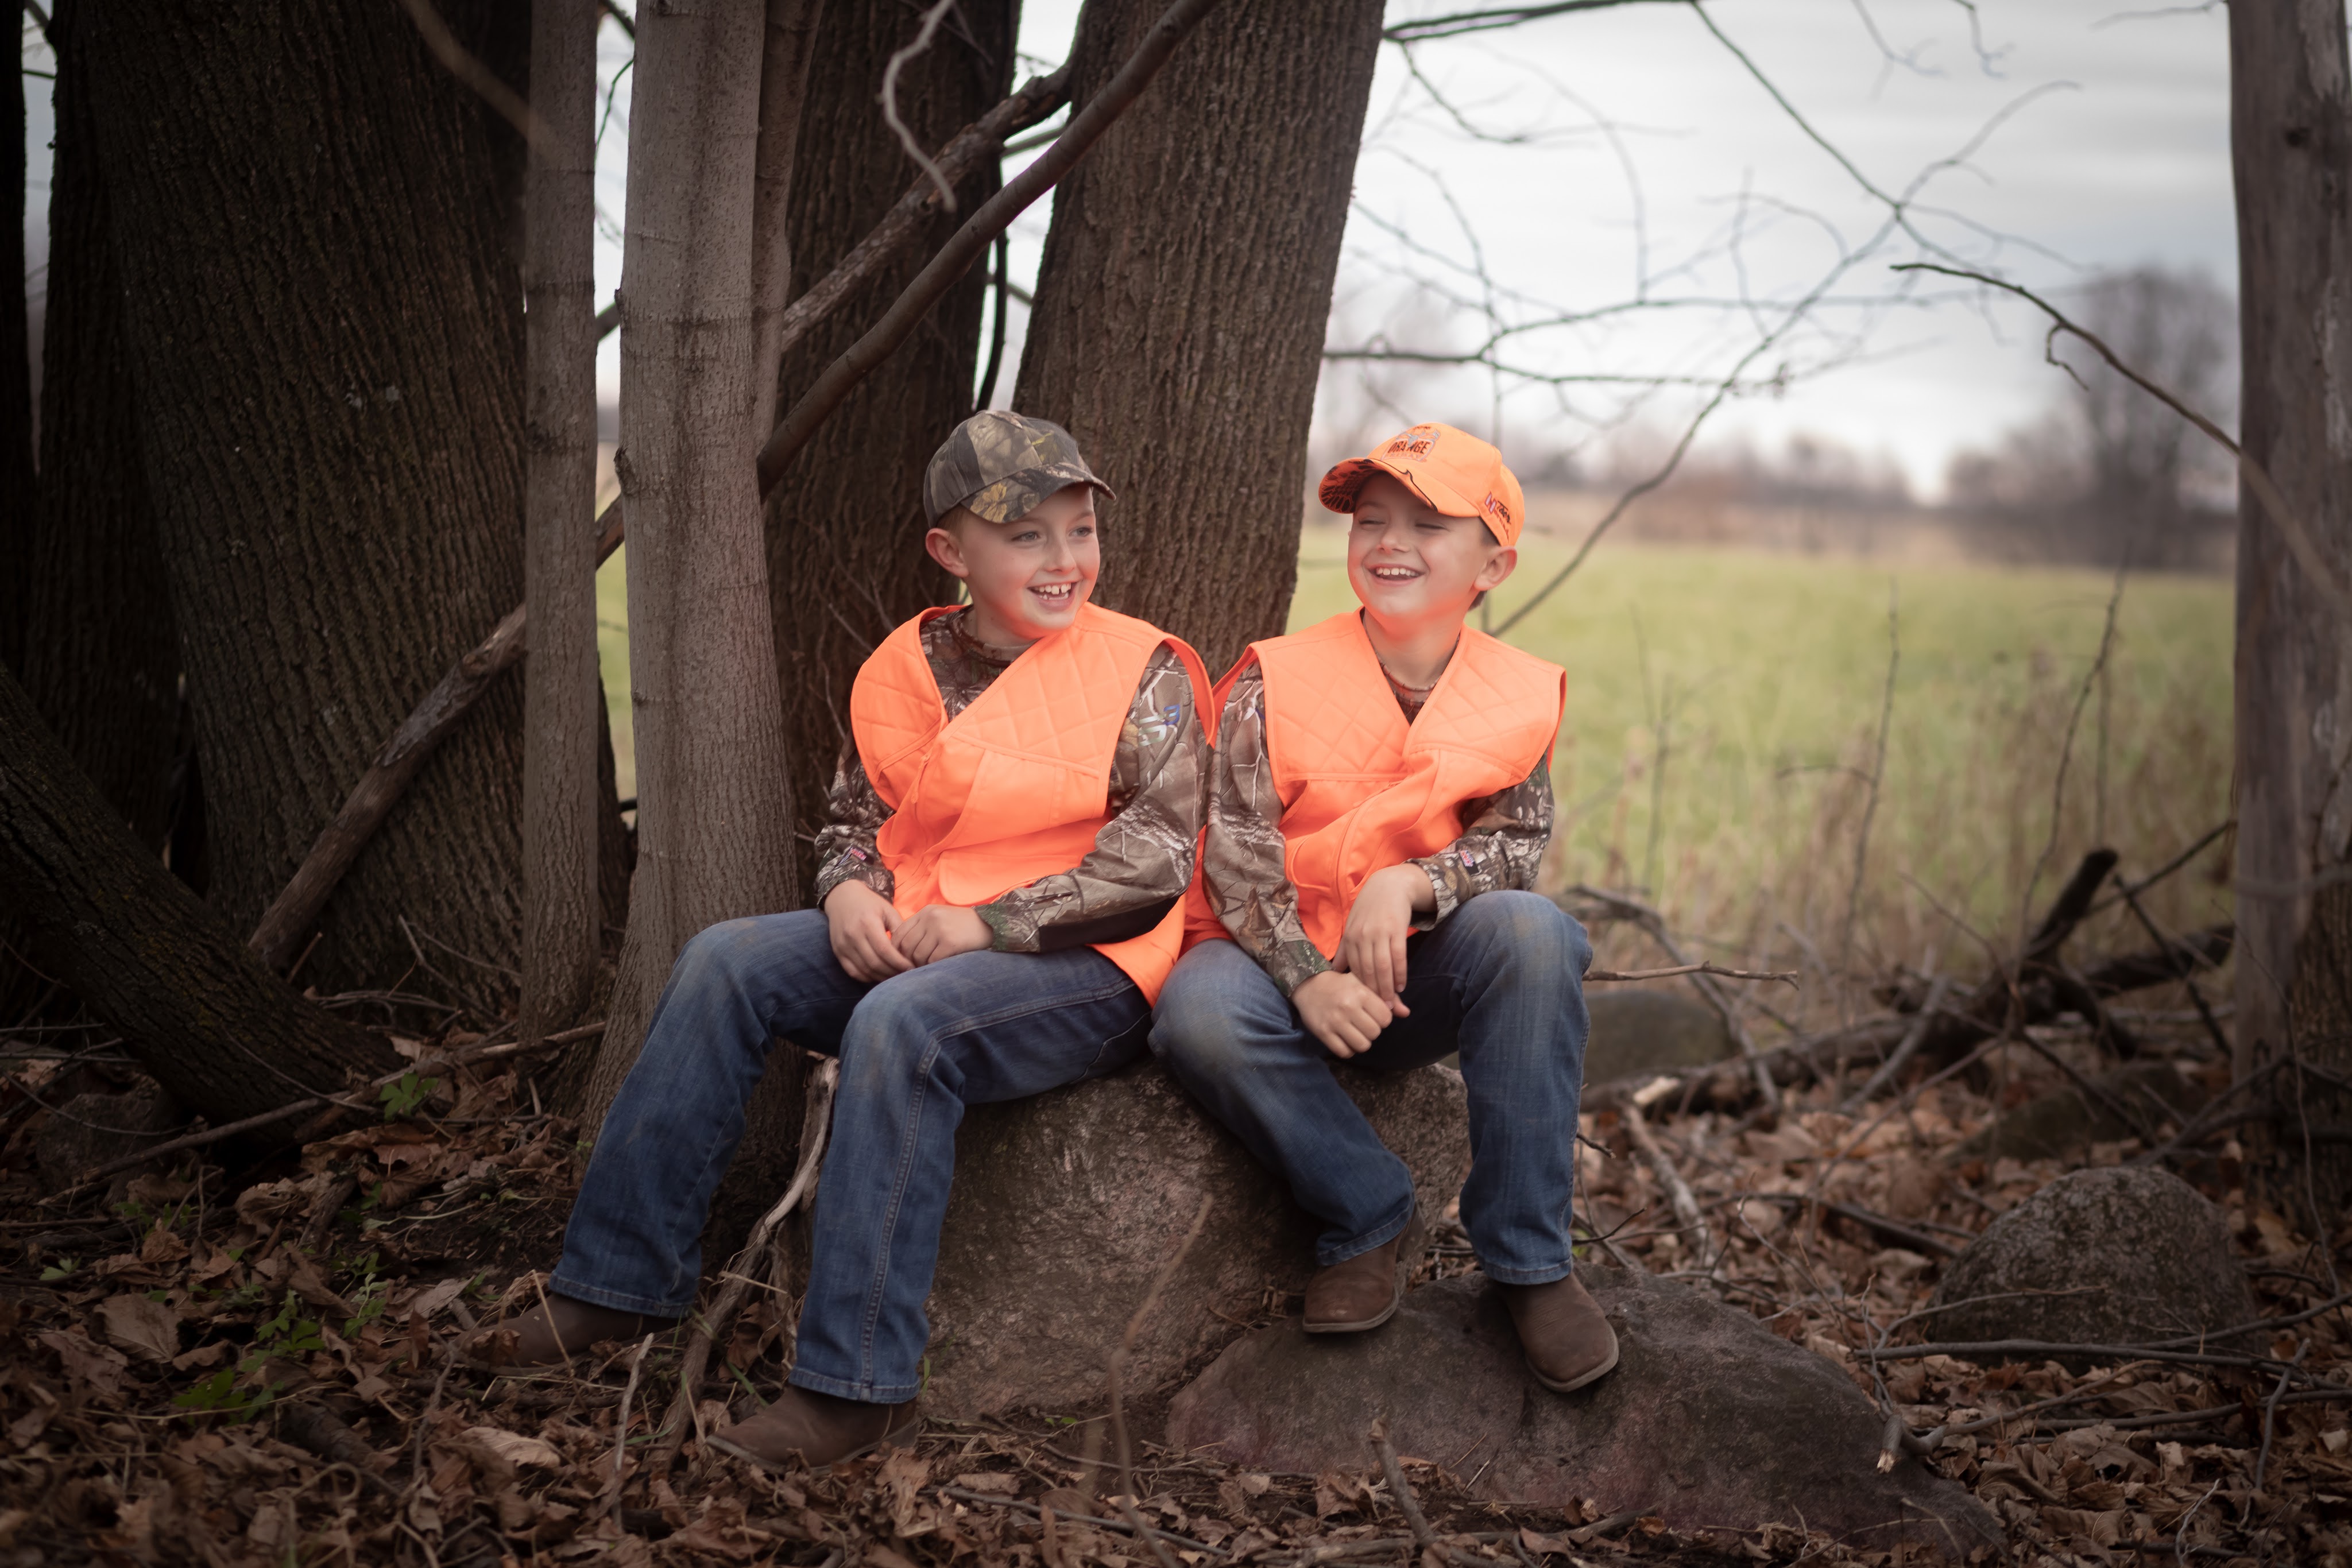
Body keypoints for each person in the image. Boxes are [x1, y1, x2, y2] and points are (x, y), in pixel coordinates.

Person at [458, 411, 1210, 1468]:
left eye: (1080, 530)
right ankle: (618, 1285)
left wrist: (992, 922)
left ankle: (858, 1389)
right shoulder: (905, 665)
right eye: (1026, 535)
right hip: (923, 936)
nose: (1064, 560)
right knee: (726, 960)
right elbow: (859, 820)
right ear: (951, 551)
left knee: (902, 1025)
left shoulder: (1145, 670)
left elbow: (1158, 859)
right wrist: (848, 889)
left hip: (1087, 966)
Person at [1149, 421, 1616, 1393]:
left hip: (1411, 973)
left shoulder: (1517, 695)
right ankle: (1367, 1212)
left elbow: (1515, 843)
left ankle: (1531, 1262)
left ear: (1494, 566)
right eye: (1371, 520)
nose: (1390, 542)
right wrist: (1304, 980)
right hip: (1268, 961)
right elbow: (1232, 848)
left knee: (1535, 933)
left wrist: (1413, 883)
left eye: (1428, 525)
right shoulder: (1276, 676)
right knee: (1196, 1008)